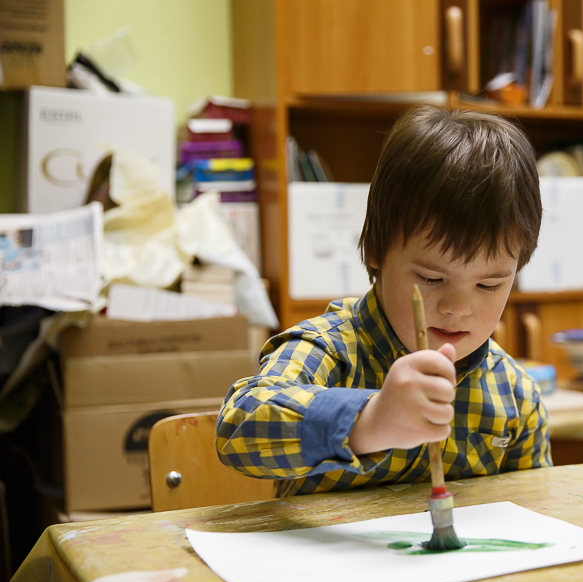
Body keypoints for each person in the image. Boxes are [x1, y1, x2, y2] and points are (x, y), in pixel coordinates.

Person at [216, 105, 551, 496]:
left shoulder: (517, 397)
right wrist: (369, 421)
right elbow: (239, 427)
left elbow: (532, 518)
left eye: (490, 285)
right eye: (430, 277)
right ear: (376, 251)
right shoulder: (329, 350)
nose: (458, 307)